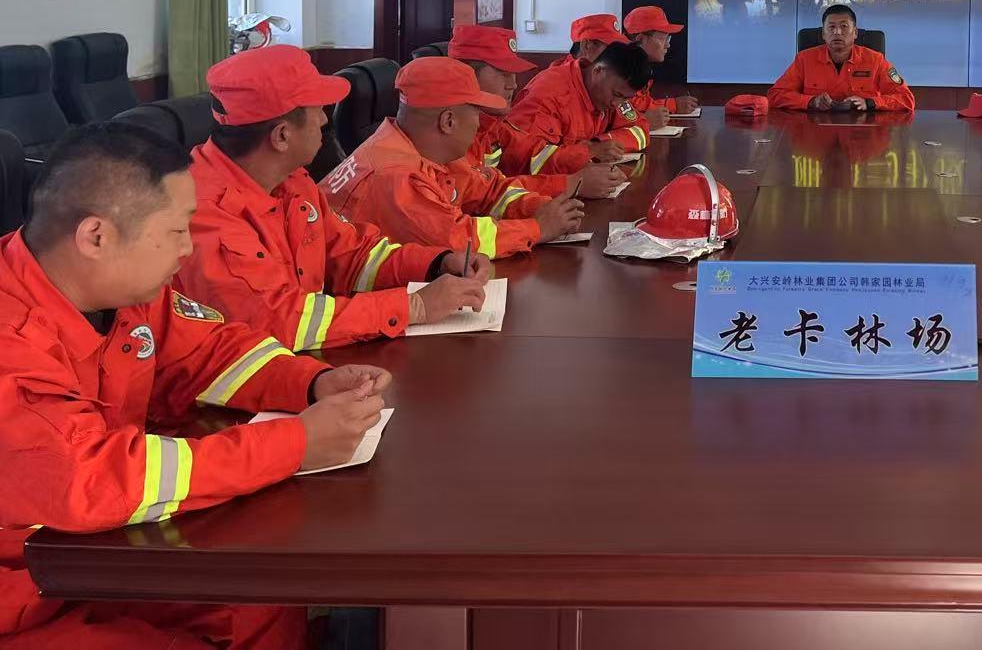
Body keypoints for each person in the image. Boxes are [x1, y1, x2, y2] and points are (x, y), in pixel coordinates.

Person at [0, 124, 390, 649]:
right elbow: (90, 478)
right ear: (97, 237)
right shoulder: (10, 338)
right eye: (177, 229)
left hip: (82, 559)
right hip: (21, 596)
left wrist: (314, 382)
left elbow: (211, 351)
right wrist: (296, 444)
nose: (188, 248)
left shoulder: (123, 291)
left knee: (257, 596)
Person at [180, 45, 492, 351]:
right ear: (282, 136)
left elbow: (352, 254)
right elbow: (281, 321)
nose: (324, 120)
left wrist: (436, 264)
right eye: (317, 109)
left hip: (306, 362)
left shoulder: (292, 180)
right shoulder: (202, 215)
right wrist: (414, 307)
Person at [322, 57, 586, 258]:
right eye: (476, 113)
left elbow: (489, 192)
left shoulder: (428, 149)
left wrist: (539, 207)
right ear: (448, 121)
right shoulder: (395, 175)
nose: (479, 123)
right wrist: (538, 228)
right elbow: (457, 240)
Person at [448, 25, 625, 198]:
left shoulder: (494, 125)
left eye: (513, 74)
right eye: (503, 74)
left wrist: (587, 155)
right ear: (466, 76)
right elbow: (486, 192)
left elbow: (535, 155)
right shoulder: (448, 134)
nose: (513, 85)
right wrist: (572, 184)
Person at [508, 26, 651, 157]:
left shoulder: (612, 89)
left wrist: (600, 143)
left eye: (625, 99)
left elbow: (640, 130)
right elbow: (526, 157)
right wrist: (586, 152)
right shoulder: (549, 95)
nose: (616, 104)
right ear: (597, 71)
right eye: (616, 95)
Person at [767, 4, 916, 114]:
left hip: (863, 133)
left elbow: (906, 99)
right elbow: (775, 95)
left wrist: (870, 103)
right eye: (831, 27)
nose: (837, 32)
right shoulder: (804, 59)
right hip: (815, 131)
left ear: (855, 33)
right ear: (823, 34)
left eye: (844, 26)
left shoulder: (876, 60)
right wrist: (810, 101)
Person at [622, 6, 700, 126]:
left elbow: (641, 102)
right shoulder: (620, 68)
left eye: (669, 38)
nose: (667, 45)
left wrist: (670, 104)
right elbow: (628, 108)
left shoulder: (639, 66)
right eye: (663, 38)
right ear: (641, 39)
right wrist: (672, 105)